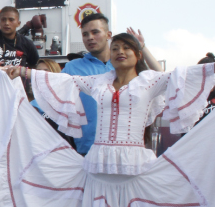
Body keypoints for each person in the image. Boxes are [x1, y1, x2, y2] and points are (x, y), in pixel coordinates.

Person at [0, 33, 215, 207]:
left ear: (137, 54)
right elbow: (64, 80)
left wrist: (149, 49)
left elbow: (184, 75)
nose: (120, 51)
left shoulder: (149, 81)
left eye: (127, 48)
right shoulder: (99, 81)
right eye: (116, 47)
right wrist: (22, 72)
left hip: (135, 168)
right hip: (97, 166)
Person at [60, 13, 162, 155]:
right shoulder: (72, 67)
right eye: (85, 34)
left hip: (128, 151)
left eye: (95, 32)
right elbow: (52, 88)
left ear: (108, 35)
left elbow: (161, 76)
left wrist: (142, 47)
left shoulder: (126, 64)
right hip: (88, 149)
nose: (90, 37)